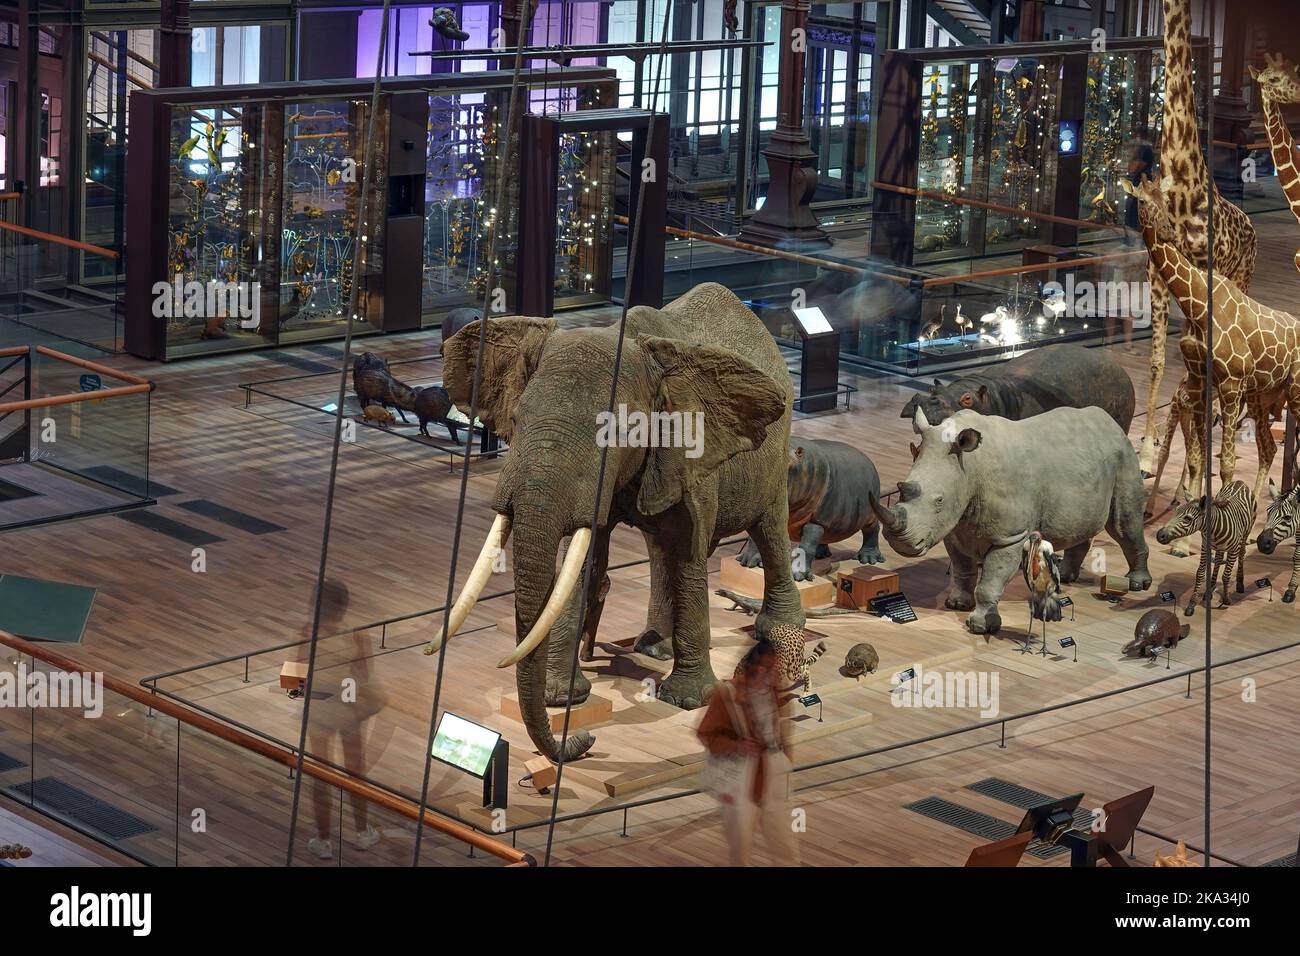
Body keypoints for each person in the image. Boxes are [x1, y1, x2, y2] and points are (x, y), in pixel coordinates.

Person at [301, 579, 390, 861]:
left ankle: (324, 840)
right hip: (349, 708)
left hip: (319, 710)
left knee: (321, 774)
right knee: (355, 771)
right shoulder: (356, 636)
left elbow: (295, 680)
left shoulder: (307, 634)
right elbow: (364, 675)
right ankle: (362, 832)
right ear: (344, 606)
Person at [696, 638, 800, 866]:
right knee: (740, 845)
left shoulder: (772, 689)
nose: (775, 672)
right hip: (740, 776)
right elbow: (706, 733)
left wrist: (785, 758)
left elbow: (780, 725)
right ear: (759, 667)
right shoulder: (728, 694)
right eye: (772, 667)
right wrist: (737, 746)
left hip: (771, 772)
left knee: (783, 840)